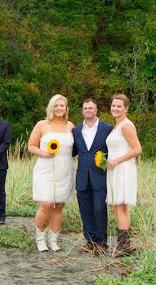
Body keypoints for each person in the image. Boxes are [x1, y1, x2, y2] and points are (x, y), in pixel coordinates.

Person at [28, 95, 75, 252]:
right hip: (45, 167)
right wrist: (43, 153)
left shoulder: (70, 126)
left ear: (66, 108)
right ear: (51, 107)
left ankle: (53, 240)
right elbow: (31, 146)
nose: (59, 108)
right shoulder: (42, 125)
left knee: (59, 205)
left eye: (62, 106)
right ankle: (40, 238)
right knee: (46, 203)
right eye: (56, 106)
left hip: (65, 169)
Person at [72, 99, 113, 253]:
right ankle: (90, 241)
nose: (88, 110)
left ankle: (101, 243)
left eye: (91, 108)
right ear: (82, 111)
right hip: (82, 175)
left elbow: (114, 148)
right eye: (85, 108)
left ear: (96, 110)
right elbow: (72, 151)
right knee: (85, 210)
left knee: (99, 209)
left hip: (100, 175)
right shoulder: (76, 130)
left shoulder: (108, 128)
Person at [106, 94, 142, 256]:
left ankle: (122, 246)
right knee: (118, 206)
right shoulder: (117, 126)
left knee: (121, 206)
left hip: (123, 168)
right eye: (113, 105)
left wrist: (117, 161)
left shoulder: (126, 126)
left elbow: (137, 149)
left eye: (119, 106)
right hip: (115, 169)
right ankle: (125, 245)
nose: (115, 108)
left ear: (126, 108)